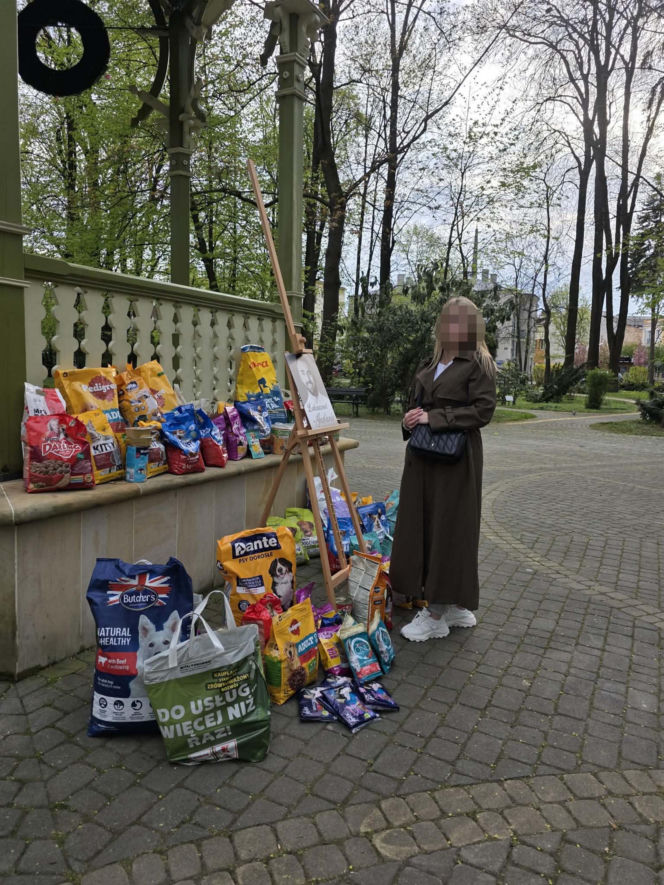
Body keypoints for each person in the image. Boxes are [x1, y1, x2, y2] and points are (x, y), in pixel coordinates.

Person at [390, 296, 497, 642]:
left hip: (455, 462)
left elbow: (483, 411)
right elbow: (416, 406)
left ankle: (436, 612)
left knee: (450, 530)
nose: (453, 327)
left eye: (461, 321)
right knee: (420, 526)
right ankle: (453, 606)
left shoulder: (478, 363)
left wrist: (436, 418)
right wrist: (409, 419)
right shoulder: (430, 361)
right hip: (422, 459)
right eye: (448, 320)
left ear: (472, 327)